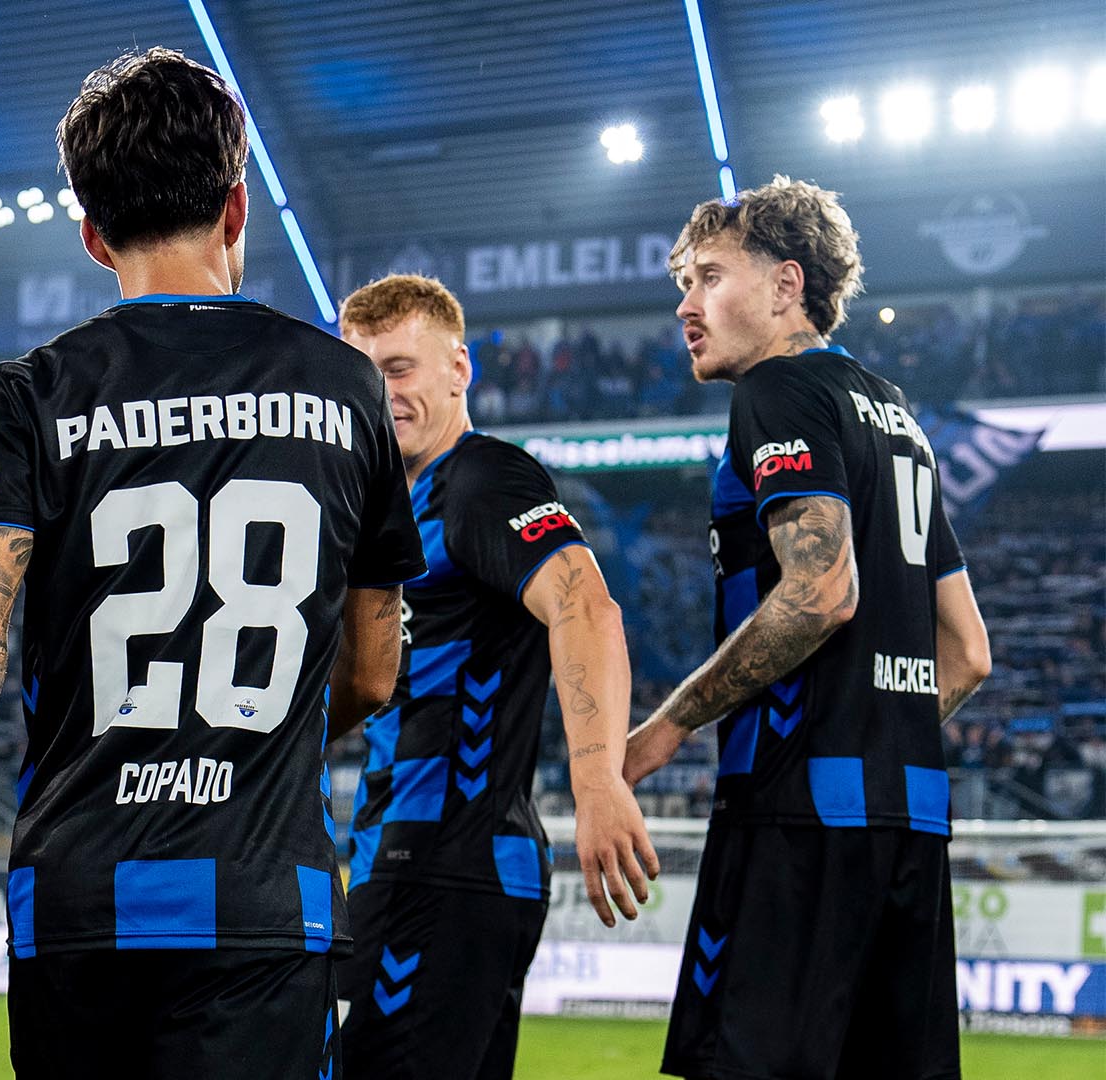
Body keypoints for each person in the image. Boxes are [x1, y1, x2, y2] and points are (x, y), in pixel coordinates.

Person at [0, 47, 426, 1079]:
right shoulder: (346, 386)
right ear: (236, 206)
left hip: (83, 902)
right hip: (267, 903)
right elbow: (371, 672)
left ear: (92, 236)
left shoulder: (29, 396)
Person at [624, 176, 991, 1079]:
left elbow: (822, 591)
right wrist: (871, 732)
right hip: (909, 816)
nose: (686, 304)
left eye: (709, 276)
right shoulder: (899, 415)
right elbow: (970, 652)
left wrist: (667, 725)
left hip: (795, 819)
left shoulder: (778, 391)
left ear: (787, 286)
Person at [334, 274, 658, 1079]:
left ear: (459, 369)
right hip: (421, 861)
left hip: (443, 864)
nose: (382, 394)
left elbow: (587, 607)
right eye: (364, 374)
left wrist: (597, 779)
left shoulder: (483, 480)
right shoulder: (388, 505)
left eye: (401, 368)